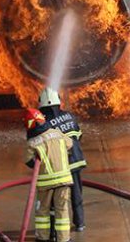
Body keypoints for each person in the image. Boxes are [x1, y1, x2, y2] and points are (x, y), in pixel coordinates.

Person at [39, 88, 88, 232]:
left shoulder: (45, 123)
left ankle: (57, 230)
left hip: (60, 166)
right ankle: (80, 223)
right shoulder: (69, 116)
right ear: (58, 102)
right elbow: (79, 135)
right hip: (76, 160)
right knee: (76, 194)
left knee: (58, 199)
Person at [23, 108, 75, 242]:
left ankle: (43, 238)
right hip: (64, 180)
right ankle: (64, 239)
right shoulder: (57, 133)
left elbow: (28, 161)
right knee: (62, 211)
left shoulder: (32, 143)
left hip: (45, 183)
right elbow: (70, 144)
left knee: (42, 212)